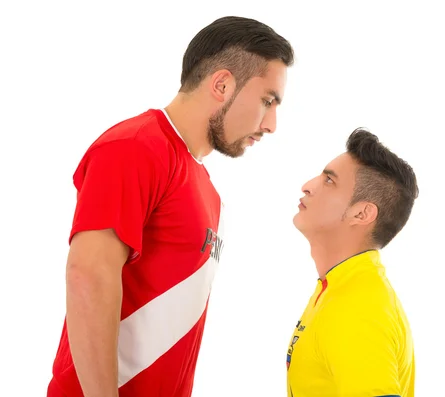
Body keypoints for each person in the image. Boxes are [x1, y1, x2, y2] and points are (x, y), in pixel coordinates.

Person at [47, 16, 294, 397]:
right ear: (222, 84)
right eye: (267, 101)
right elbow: (87, 276)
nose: (272, 123)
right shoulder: (135, 147)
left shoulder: (208, 193)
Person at [286, 128, 418, 397]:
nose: (308, 185)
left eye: (329, 181)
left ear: (362, 213)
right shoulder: (339, 289)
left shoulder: (359, 307)